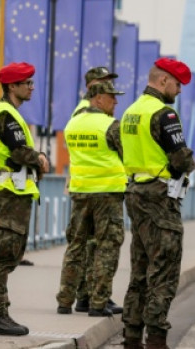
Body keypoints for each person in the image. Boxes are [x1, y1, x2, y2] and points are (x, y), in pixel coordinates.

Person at [120, 58, 195, 349]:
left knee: (139, 270)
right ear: (163, 81)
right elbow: (181, 158)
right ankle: (156, 339)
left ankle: (131, 336)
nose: (179, 91)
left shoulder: (130, 112)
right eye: (177, 84)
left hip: (135, 191)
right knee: (163, 269)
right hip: (160, 196)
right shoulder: (164, 114)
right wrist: (190, 164)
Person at [0, 62, 51, 336]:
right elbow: (20, 152)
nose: (32, 88)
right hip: (10, 192)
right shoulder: (5, 114)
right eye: (27, 83)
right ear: (12, 86)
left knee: (8, 254)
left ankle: (0, 313)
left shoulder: (5, 112)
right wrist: (40, 158)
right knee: (2, 255)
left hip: (12, 191)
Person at [56, 81, 127, 317]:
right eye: (111, 96)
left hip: (80, 192)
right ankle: (98, 302)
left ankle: (65, 301)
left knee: (76, 247)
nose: (115, 101)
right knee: (107, 247)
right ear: (98, 98)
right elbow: (127, 155)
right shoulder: (111, 125)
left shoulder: (72, 124)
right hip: (108, 194)